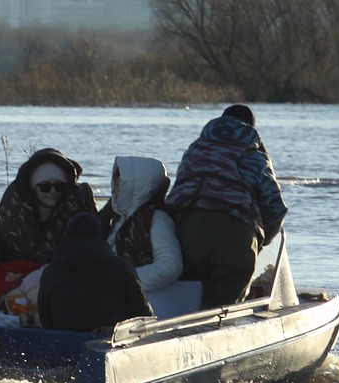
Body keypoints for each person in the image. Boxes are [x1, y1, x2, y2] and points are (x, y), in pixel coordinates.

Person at [166, 104, 287, 308]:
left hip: (183, 232)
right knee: (220, 313)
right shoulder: (254, 155)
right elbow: (273, 206)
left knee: (184, 306)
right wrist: (264, 240)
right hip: (233, 234)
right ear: (250, 127)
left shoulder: (195, 150)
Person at [0, 147, 97, 303]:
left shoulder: (81, 217)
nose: (52, 191)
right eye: (45, 187)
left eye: (59, 186)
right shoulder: (12, 219)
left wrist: (46, 272)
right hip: (17, 293)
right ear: (33, 187)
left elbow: (89, 255)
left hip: (65, 291)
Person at [34, 213, 153, 333]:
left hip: (66, 343)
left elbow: (45, 318)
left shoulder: (51, 272)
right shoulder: (121, 268)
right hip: (110, 343)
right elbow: (142, 315)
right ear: (99, 236)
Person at [98, 155, 183, 292]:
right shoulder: (120, 217)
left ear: (134, 185)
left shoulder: (157, 219)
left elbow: (170, 265)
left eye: (120, 180)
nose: (115, 185)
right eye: (115, 179)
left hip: (144, 298)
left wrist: (123, 280)